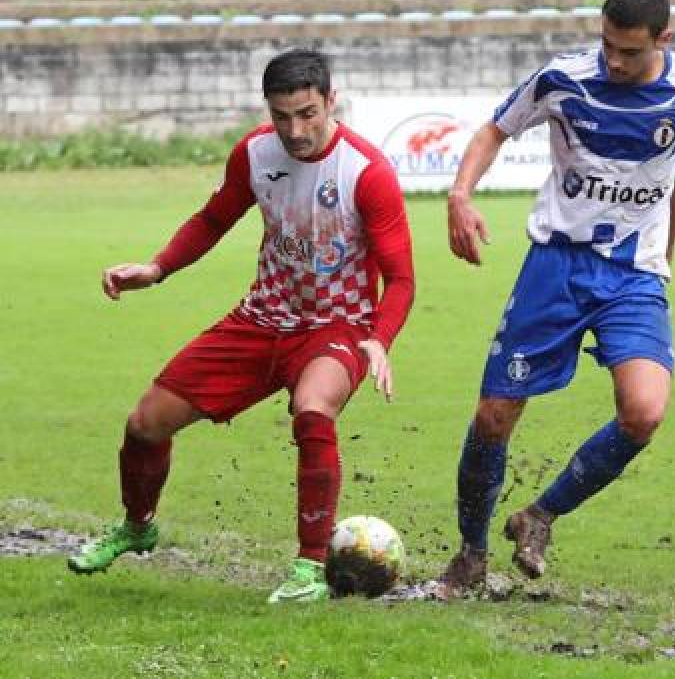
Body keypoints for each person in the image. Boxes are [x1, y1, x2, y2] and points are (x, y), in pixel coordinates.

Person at [67, 49, 415, 602]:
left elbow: (400, 278)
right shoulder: (255, 153)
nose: (295, 130)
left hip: (338, 325)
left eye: (307, 114)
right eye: (282, 116)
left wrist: (380, 337)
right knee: (145, 424)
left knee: (312, 408)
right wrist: (156, 268)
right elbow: (214, 218)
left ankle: (309, 566)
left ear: (331, 101)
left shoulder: (367, 173)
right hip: (261, 318)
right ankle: (138, 525)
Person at [435, 0, 675, 598]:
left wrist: (664, 250)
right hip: (556, 266)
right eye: (607, 44)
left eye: (630, 50)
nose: (613, 60)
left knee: (644, 412)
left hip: (633, 274)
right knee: (494, 414)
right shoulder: (563, 78)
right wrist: (460, 194)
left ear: (664, 39)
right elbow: (493, 131)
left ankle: (540, 516)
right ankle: (471, 554)